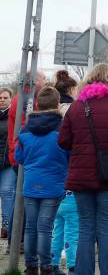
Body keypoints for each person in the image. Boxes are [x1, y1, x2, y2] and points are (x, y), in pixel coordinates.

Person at [58, 64, 108, 275]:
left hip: (81, 176)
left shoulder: (77, 106)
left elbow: (64, 141)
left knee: (85, 228)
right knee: (106, 229)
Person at [15, 87, 68, 275]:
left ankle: (30, 266)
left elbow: (19, 157)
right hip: (54, 184)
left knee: (30, 227)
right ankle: (46, 266)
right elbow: (70, 154)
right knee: (45, 228)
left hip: (30, 183)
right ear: (57, 103)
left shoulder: (26, 128)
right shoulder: (62, 128)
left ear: (38, 104)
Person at [50, 189, 78, 273]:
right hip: (73, 201)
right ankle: (73, 266)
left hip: (59, 199)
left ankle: (53, 265)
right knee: (72, 235)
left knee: (57, 234)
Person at [0, 86, 14, 239]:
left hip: (7, 163)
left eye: (5, 97)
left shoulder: (13, 116)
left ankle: (7, 226)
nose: (2, 100)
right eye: (0, 98)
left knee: (6, 192)